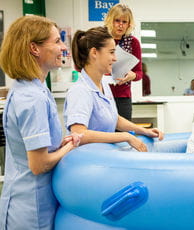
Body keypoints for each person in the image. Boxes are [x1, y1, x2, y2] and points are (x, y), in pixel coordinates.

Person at [0, 15, 81, 229]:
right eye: (56, 41)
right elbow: (39, 164)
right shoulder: (32, 97)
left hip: (32, 200)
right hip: (29, 209)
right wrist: (70, 147)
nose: (63, 47)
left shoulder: (32, 88)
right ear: (34, 49)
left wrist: (59, 145)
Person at [66, 26, 163, 152]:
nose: (115, 58)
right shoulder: (80, 90)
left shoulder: (104, 84)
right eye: (111, 52)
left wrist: (144, 131)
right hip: (89, 161)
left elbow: (114, 119)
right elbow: (79, 134)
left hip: (106, 154)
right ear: (94, 53)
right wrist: (125, 136)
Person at [104, 3, 142, 121]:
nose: (120, 25)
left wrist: (132, 75)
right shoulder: (101, 39)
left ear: (129, 24)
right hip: (103, 94)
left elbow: (139, 73)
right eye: (117, 20)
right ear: (110, 20)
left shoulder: (133, 42)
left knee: (123, 133)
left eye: (124, 22)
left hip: (123, 97)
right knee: (104, 132)